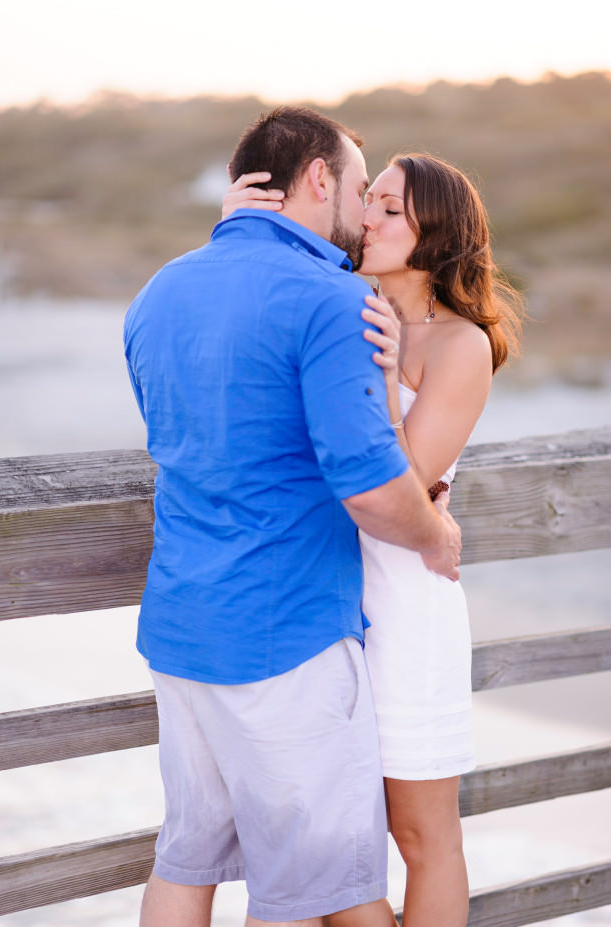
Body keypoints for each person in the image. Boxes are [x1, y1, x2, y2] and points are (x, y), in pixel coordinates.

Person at [122, 105, 462, 927]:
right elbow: (375, 490)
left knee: (186, 856)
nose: (364, 212)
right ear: (318, 179)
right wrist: (438, 532)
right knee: (309, 889)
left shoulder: (158, 291)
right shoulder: (330, 299)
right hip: (285, 635)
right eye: (359, 186)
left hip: (179, 629)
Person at [223, 152, 523, 927]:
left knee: (421, 834)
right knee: (325, 840)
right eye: (372, 201)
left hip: (408, 603)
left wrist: (387, 378)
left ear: (437, 230)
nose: (371, 218)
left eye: (392, 209)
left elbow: (401, 481)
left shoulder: (463, 344)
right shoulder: (341, 306)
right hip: (321, 601)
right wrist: (234, 224)